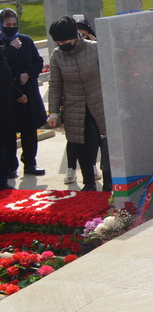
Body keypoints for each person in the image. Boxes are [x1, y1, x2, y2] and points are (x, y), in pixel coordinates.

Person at [47, 16, 111, 192]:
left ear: (74, 36)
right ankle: (88, 182)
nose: (62, 45)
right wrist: (53, 112)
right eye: (58, 43)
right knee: (81, 144)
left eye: (64, 41)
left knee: (106, 143)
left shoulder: (94, 48)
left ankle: (109, 183)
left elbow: (109, 75)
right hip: (75, 106)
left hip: (100, 103)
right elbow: (55, 85)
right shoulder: (57, 55)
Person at [1, 8, 46, 179]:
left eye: (14, 24)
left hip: (28, 91)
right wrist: (12, 49)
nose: (11, 27)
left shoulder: (26, 40)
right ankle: (11, 166)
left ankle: (30, 162)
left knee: (29, 128)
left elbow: (38, 61)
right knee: (9, 131)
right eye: (8, 24)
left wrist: (29, 74)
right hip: (9, 93)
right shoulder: (2, 43)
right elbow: (3, 64)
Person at [0, 35, 28, 189]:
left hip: (5, 108)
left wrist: (17, 94)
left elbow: (5, 79)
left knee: (4, 143)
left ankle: (3, 179)